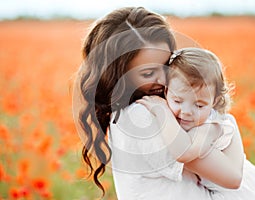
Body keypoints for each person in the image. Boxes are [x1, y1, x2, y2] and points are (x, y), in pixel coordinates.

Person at [73, 7, 245, 200]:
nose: (164, 79)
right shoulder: (141, 116)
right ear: (118, 76)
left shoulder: (152, 107)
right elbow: (234, 178)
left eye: (167, 65)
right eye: (148, 73)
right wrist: (227, 126)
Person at [137, 47, 255, 199]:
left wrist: (162, 111)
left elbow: (183, 153)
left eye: (199, 105)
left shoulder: (211, 127)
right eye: (177, 101)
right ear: (166, 92)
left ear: (214, 101)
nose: (186, 111)